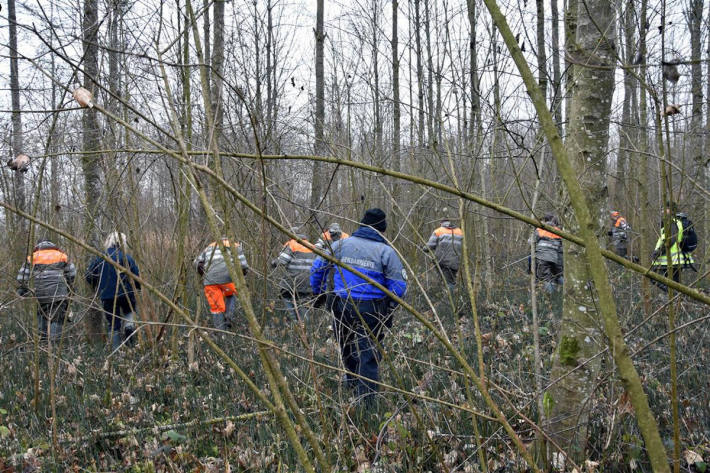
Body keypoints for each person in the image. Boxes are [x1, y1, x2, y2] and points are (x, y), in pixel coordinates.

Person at [311, 208, 407, 400]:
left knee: (346, 345)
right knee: (368, 354)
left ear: (361, 225)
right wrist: (389, 307)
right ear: (382, 230)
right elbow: (398, 287)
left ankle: (352, 383)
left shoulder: (340, 245)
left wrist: (318, 292)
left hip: (341, 305)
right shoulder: (386, 251)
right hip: (372, 310)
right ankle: (367, 402)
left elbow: (317, 268)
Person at [86, 232, 141, 350]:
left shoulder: (100, 257)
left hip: (107, 296)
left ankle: (116, 354)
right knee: (129, 315)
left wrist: (96, 286)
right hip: (126, 294)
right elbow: (137, 277)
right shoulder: (127, 258)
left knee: (113, 324)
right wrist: (137, 288)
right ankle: (130, 346)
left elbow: (89, 276)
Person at [16, 239, 76, 341]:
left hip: (39, 293)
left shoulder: (32, 257)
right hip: (58, 293)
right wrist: (70, 287)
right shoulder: (61, 255)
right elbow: (71, 273)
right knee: (57, 318)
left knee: (41, 316)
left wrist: (22, 290)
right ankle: (54, 345)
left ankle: (43, 342)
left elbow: (22, 277)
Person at [195, 237, 249, 330]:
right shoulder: (235, 246)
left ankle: (220, 331)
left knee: (216, 307)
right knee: (231, 294)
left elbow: (196, 262)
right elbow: (243, 265)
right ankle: (229, 318)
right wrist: (242, 278)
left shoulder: (209, 247)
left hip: (210, 280)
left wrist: (203, 275)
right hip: (228, 278)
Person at [272, 228, 316, 322]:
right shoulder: (312, 246)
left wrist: (274, 262)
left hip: (292, 282)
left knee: (286, 297)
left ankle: (294, 325)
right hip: (308, 283)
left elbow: (282, 261)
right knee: (303, 308)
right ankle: (305, 330)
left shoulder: (292, 244)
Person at [650, 203, 695, 292]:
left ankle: (675, 296)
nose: (662, 211)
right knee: (674, 284)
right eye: (662, 209)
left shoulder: (673, 222)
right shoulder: (673, 222)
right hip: (671, 260)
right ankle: (677, 298)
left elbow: (670, 240)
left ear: (672, 210)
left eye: (665, 209)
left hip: (670, 260)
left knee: (654, 277)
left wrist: (658, 252)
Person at [423, 218, 463, 293]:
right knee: (451, 280)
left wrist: (424, 248)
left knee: (447, 282)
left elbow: (430, 246)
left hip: (442, 261)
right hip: (456, 261)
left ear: (441, 223)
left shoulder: (438, 231)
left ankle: (449, 299)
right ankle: (451, 296)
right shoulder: (459, 231)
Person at [533, 214, 563, 292]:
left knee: (545, 278)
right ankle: (563, 291)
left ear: (545, 221)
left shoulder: (540, 229)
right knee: (557, 276)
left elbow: (531, 241)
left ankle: (551, 297)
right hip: (555, 258)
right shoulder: (559, 231)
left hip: (542, 257)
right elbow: (561, 247)